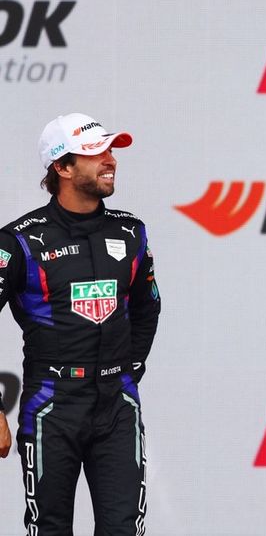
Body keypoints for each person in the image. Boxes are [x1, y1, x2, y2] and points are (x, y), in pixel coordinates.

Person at [0, 112, 161, 535]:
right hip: (52, 404)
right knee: (49, 528)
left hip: (117, 404)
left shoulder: (131, 232)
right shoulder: (20, 241)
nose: (110, 160)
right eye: (95, 153)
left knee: (124, 530)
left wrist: (128, 370)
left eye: (110, 151)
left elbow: (148, 310)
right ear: (63, 167)